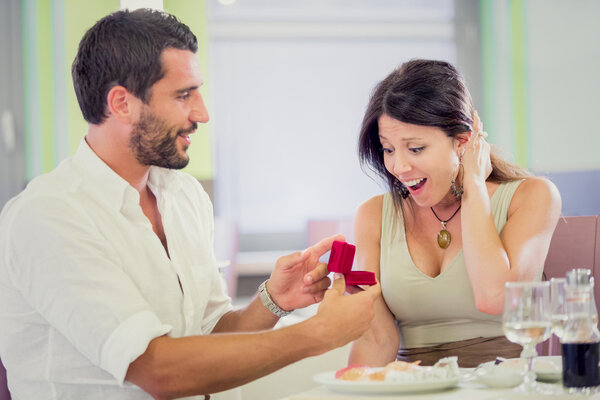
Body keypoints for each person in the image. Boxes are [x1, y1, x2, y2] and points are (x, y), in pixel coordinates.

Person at [0, 9, 380, 399]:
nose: (202, 113)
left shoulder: (183, 196)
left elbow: (208, 333)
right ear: (122, 104)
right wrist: (318, 334)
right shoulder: (48, 216)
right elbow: (159, 371)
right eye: (184, 95)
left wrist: (273, 300)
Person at [348, 59, 561, 368]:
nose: (399, 168)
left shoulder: (533, 196)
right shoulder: (372, 216)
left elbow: (495, 297)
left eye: (416, 148)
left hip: (501, 385)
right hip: (413, 388)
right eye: (388, 149)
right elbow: (376, 340)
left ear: (462, 141)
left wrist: (474, 185)